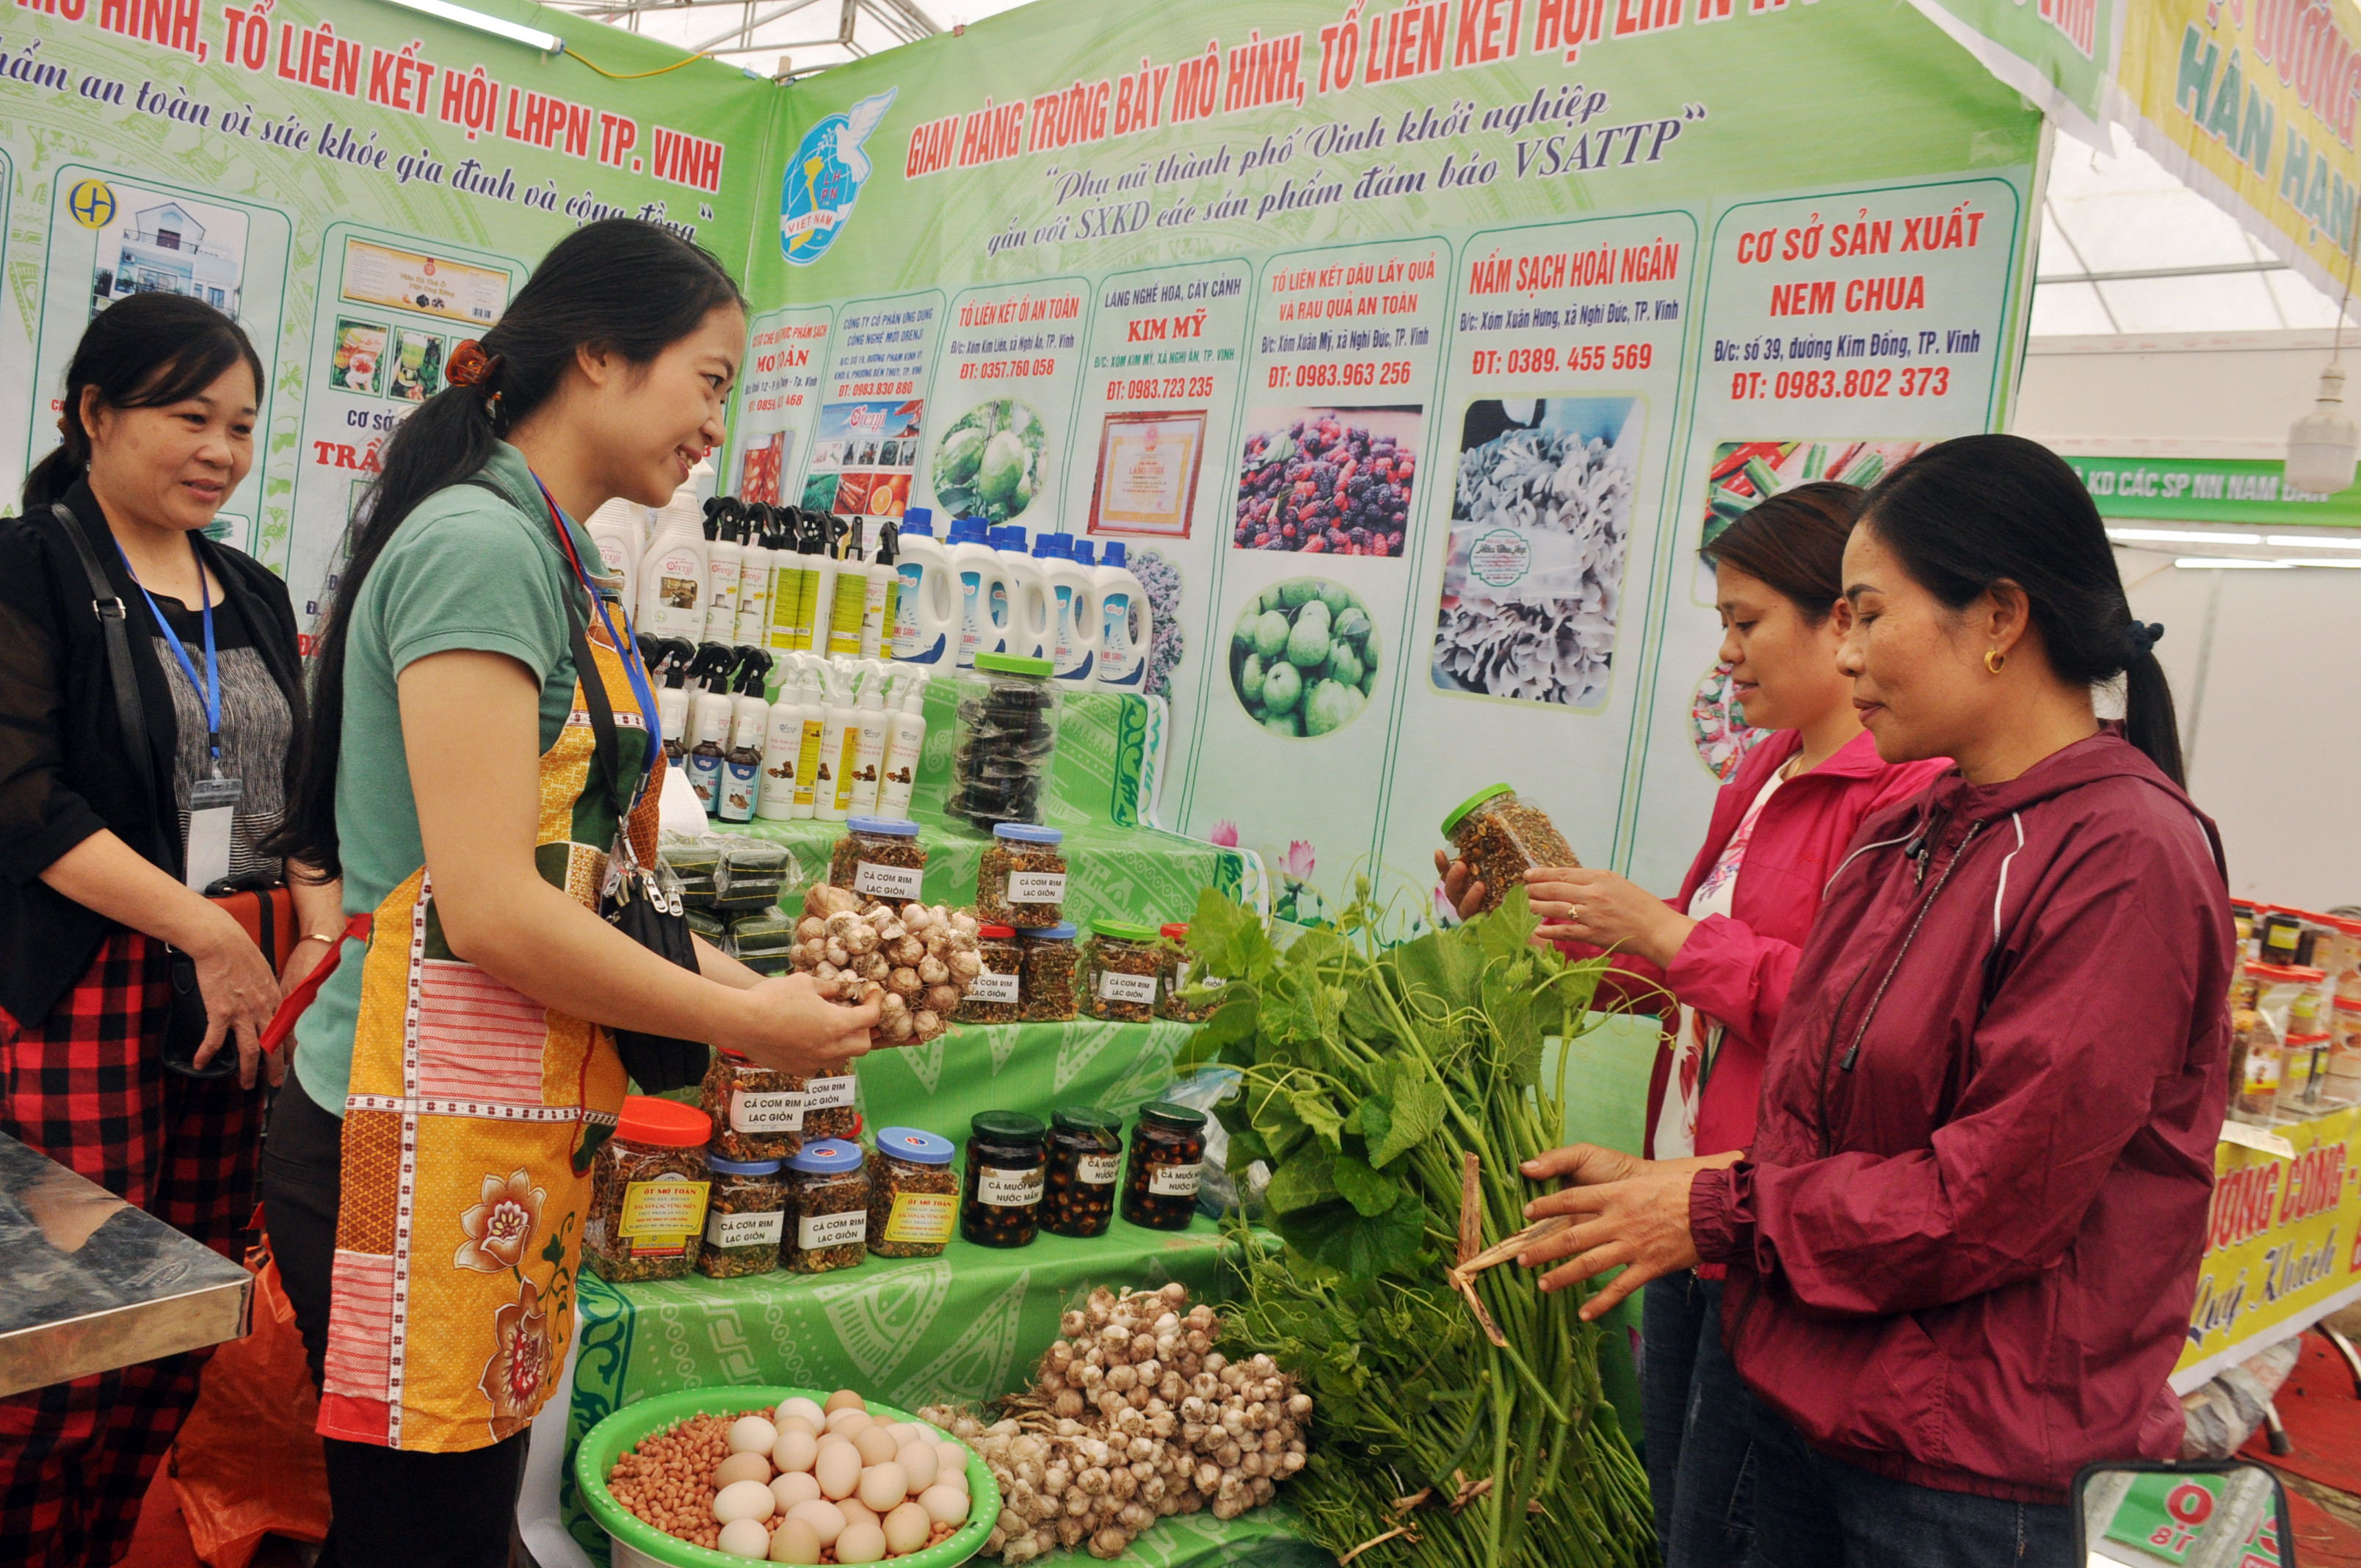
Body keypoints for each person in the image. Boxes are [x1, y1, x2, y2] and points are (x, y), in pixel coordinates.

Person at [259, 220, 879, 1568]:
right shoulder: (484, 550)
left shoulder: (557, 555)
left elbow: (588, 888)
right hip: (402, 1133)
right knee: (418, 1541)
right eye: (711, 380)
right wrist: (750, 1028)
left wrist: (764, 992)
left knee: (456, 1526)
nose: (722, 422)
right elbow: (488, 909)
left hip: (491, 1117)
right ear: (598, 354)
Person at [1515, 434, 2233, 1567]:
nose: (1842, 657)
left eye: (1865, 614)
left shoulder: (2123, 856)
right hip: (1812, 1400)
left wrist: (1712, 1211)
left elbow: (1990, 1200)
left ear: (1999, 618)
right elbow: (1813, 1102)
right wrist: (1684, 1184)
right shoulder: (1914, 826)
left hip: (1970, 1468)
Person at [1438, 483, 1947, 1567]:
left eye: (1746, 622)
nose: (1726, 655)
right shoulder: (1764, 774)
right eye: (1722, 623)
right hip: (1671, 1197)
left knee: (1724, 1531)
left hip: (1764, 1223)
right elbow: (1689, 992)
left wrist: (1670, 937)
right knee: (1684, 1516)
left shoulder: (1899, 797)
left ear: (1842, 621)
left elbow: (1857, 1017)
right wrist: (1553, 925)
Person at [0, 293, 343, 1567]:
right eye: (188, 415)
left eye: (242, 426)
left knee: (187, 1312)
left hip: (249, 994)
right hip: (97, 984)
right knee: (69, 1328)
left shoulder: (247, 589)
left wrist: (314, 926)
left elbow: (298, 797)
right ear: (92, 414)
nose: (220, 450)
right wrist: (201, 935)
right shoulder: (28, 565)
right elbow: (22, 797)